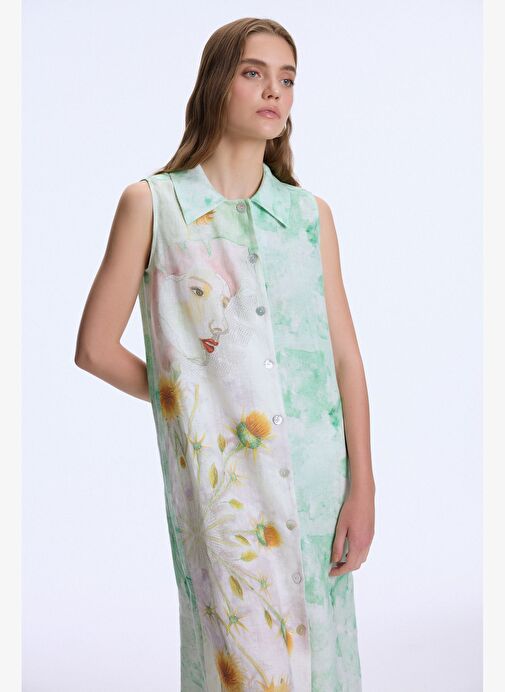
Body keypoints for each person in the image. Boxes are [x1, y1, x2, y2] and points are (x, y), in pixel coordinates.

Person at [75, 17, 375, 692]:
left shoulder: (309, 217)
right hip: (227, 496)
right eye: (253, 72)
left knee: (324, 669)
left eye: (287, 78)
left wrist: (363, 486)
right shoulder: (155, 205)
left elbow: (345, 360)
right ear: (216, 83)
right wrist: (195, 398)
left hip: (318, 486)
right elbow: (94, 348)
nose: (274, 91)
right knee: (240, 669)